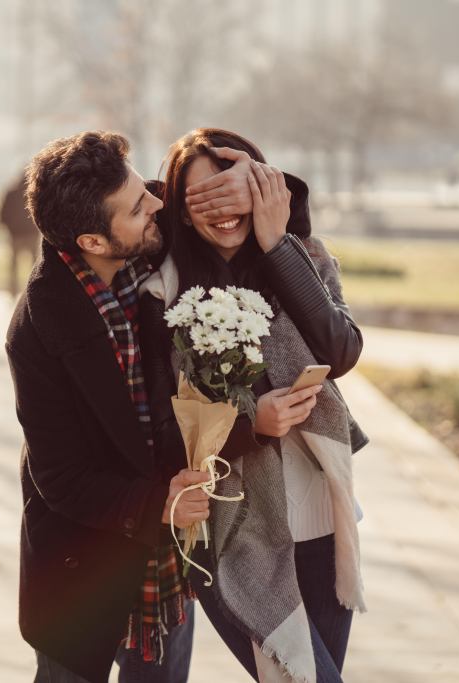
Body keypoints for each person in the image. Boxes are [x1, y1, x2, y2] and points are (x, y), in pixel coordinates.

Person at [7, 131, 262, 683]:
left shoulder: (146, 241)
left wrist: (257, 183)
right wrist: (158, 505)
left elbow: (241, 206)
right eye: (137, 205)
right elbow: (60, 477)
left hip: (165, 568)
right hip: (81, 569)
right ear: (94, 241)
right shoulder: (37, 330)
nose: (156, 204)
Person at [139, 128, 369, 683]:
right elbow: (163, 431)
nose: (222, 209)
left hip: (321, 522)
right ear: (181, 208)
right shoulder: (162, 295)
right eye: (203, 198)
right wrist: (251, 425)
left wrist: (276, 239)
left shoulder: (301, 258)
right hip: (235, 534)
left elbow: (341, 350)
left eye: (233, 191)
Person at [0, 175, 42, 296]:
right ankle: (33, 292)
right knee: (35, 266)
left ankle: (13, 292)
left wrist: (10, 228)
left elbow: (2, 214)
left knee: (14, 267)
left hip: (15, 235)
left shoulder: (10, 193)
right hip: (30, 235)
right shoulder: (34, 193)